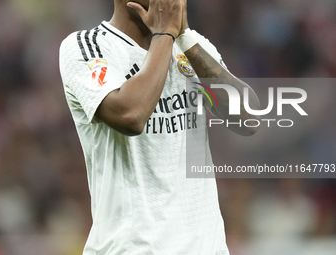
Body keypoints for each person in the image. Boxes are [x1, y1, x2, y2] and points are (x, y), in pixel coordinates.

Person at [59, 0, 260, 254]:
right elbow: (131, 115)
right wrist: (165, 34)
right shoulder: (87, 46)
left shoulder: (189, 45)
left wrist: (183, 36)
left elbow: (249, 119)